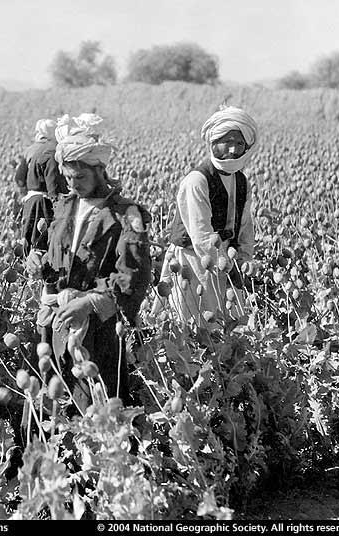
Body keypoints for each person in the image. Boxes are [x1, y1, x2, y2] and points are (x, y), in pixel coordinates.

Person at [27, 113, 151, 411]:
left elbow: (134, 275)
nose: (73, 184)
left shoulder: (125, 213)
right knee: (52, 403)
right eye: (67, 177)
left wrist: (90, 302)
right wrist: (40, 260)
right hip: (57, 318)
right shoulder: (63, 205)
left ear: (99, 171)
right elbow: (59, 258)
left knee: (96, 403)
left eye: (80, 177)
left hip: (98, 326)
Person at [157, 106, 257, 328]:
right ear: (213, 142)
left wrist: (244, 258)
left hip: (226, 260)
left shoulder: (241, 181)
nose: (233, 149)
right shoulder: (197, 181)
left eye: (239, 143)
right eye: (227, 141)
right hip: (193, 263)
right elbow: (201, 235)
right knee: (195, 326)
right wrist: (226, 266)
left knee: (231, 327)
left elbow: (245, 226)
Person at [14, 118, 68, 252]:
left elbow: (19, 178)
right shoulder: (53, 151)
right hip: (44, 205)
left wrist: (25, 194)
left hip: (30, 202)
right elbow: (53, 184)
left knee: (28, 245)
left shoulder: (30, 150)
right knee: (42, 246)